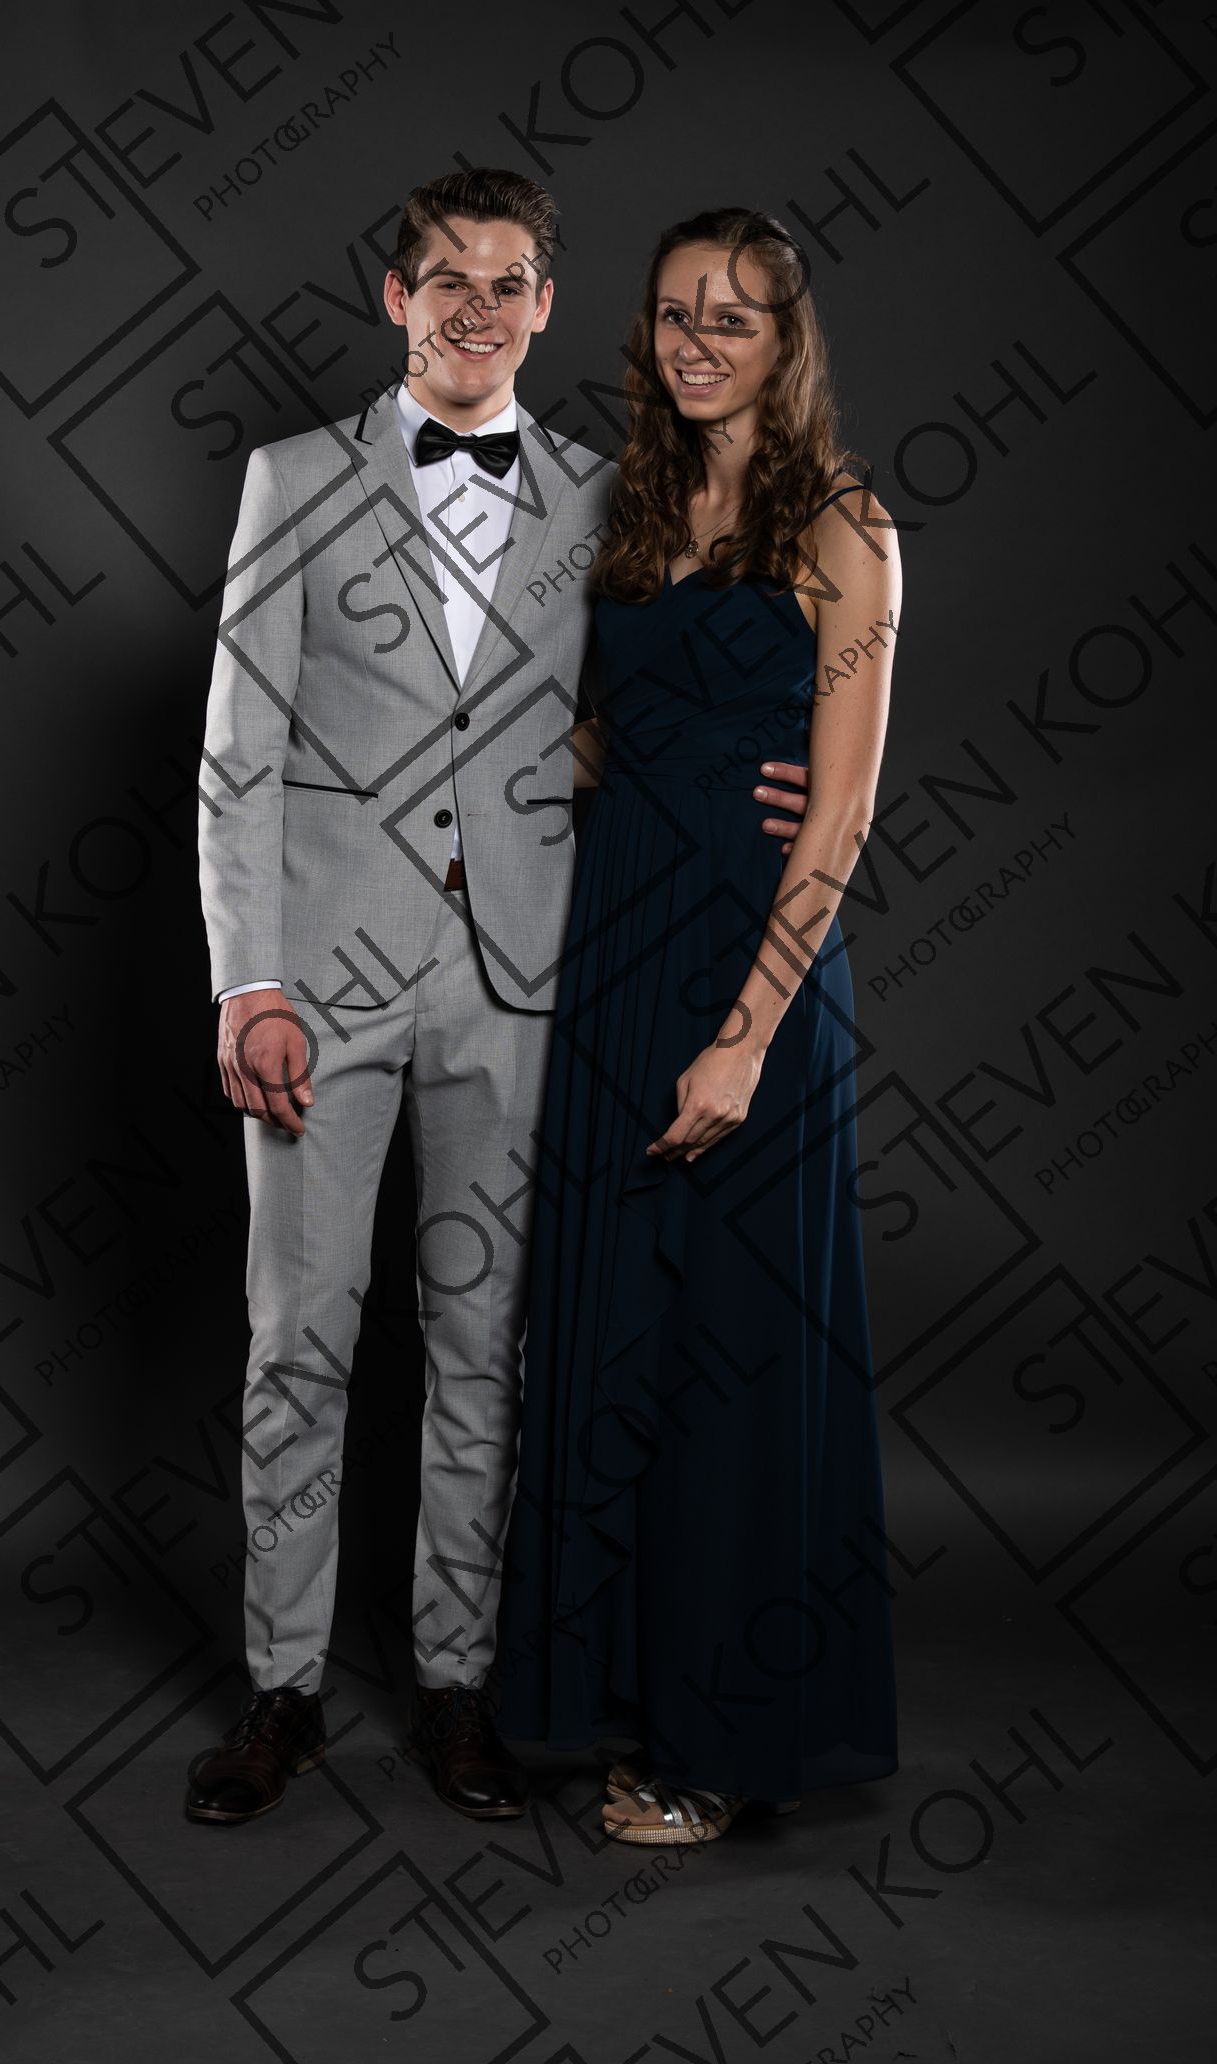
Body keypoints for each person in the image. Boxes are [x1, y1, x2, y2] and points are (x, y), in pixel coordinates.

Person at [186, 170, 808, 1826]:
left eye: (510, 280)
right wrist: (250, 983)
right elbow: (238, 757)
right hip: (320, 982)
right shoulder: (291, 479)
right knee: (299, 1341)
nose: (478, 306)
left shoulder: (609, 495)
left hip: (528, 985)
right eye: (448, 279)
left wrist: (782, 768)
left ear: (545, 305)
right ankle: (283, 1688)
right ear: (399, 299)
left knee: (489, 1350)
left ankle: (461, 1687)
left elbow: (676, 681)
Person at [494, 207, 900, 1844]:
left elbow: (842, 812)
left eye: (733, 317)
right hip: (614, 950)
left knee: (738, 1356)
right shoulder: (636, 508)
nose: (698, 342)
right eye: (675, 314)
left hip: (752, 972)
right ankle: (628, 1699)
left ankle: (725, 1745)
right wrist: (459, 780)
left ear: (785, 340)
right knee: (617, 1337)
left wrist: (746, 1035)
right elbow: (608, 732)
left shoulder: (847, 526)